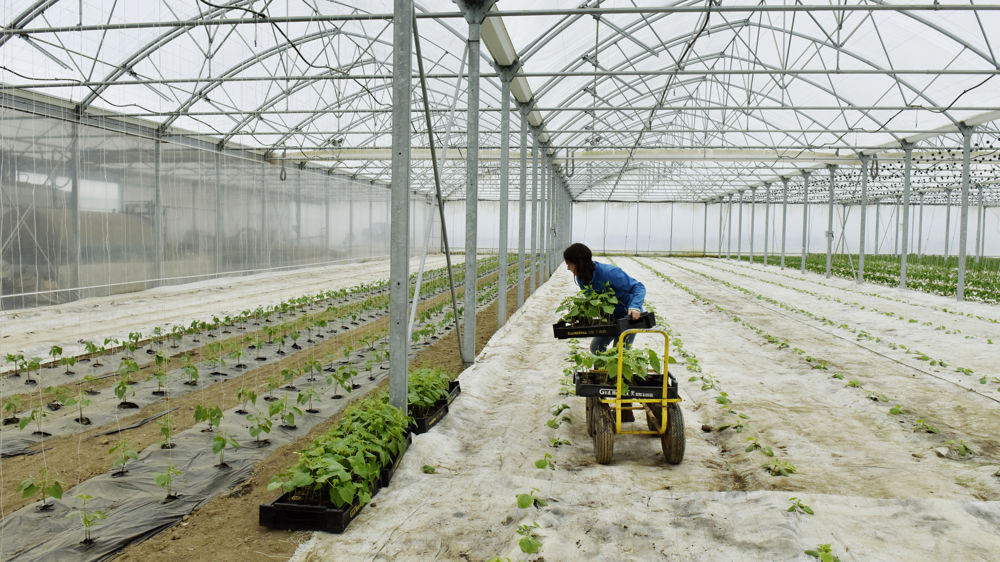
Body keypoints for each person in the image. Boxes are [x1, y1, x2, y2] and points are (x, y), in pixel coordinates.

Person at [562, 242, 646, 354]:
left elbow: (638, 287)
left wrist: (635, 307)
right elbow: (594, 302)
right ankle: (601, 371)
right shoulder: (582, 279)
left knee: (620, 352)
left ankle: (619, 371)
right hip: (611, 318)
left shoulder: (610, 273)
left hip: (628, 316)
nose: (568, 268)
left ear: (579, 263)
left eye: (570, 264)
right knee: (596, 347)